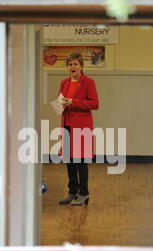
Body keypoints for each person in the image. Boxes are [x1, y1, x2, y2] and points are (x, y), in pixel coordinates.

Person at [58, 52, 99, 206]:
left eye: (76, 64)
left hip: (82, 127)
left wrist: (74, 102)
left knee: (81, 160)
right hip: (67, 124)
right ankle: (72, 191)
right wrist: (60, 105)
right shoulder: (64, 83)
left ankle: (84, 193)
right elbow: (60, 102)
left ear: (81, 66)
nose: (72, 67)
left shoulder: (89, 82)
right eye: (70, 64)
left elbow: (95, 103)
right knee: (69, 160)